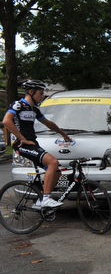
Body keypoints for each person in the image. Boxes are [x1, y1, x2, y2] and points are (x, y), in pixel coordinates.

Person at [3, 79, 71, 208]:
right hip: (22, 144)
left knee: (56, 171)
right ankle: (46, 198)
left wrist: (63, 134)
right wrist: (21, 138)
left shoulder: (34, 109)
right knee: (53, 162)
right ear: (31, 91)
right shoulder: (18, 105)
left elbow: (49, 123)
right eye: (40, 93)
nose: (42, 96)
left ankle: (41, 199)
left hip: (32, 143)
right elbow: (6, 121)